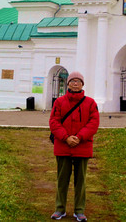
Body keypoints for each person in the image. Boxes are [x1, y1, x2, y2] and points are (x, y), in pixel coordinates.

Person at [49, 71, 100, 221]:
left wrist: (79, 137)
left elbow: (93, 123)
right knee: (62, 179)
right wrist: (66, 137)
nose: (75, 83)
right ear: (68, 83)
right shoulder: (59, 102)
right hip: (63, 145)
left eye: (78, 81)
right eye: (72, 81)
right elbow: (54, 122)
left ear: (82, 84)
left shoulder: (90, 103)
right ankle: (60, 209)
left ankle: (79, 210)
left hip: (82, 145)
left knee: (81, 181)